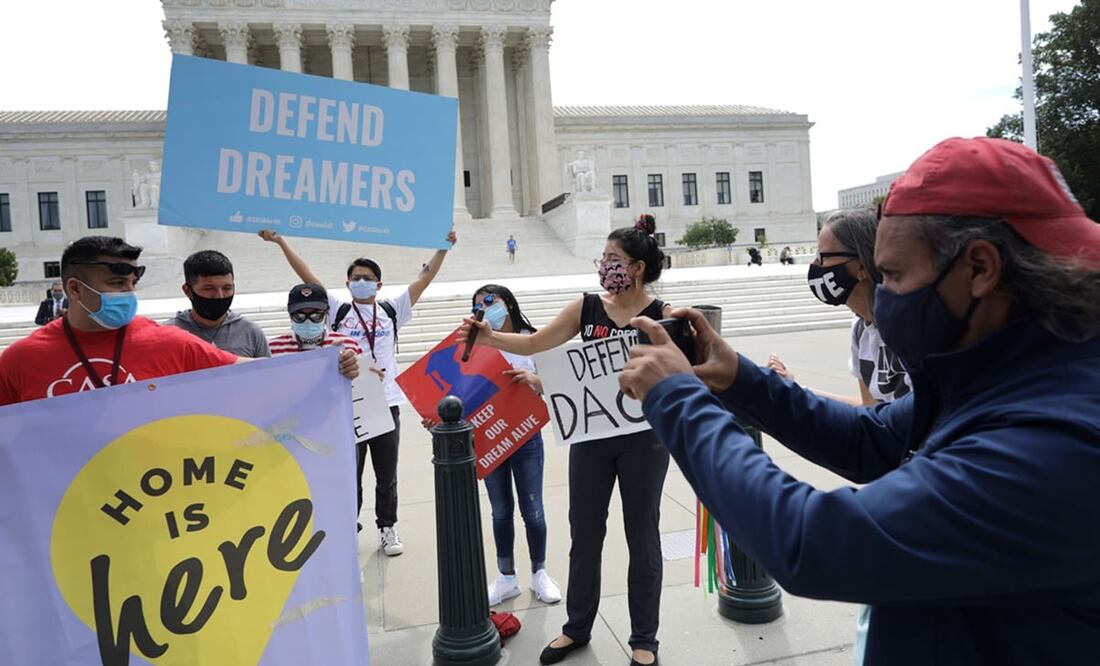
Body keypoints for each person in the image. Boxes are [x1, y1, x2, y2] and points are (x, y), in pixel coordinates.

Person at [618, 137, 1100, 665]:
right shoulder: (1006, 373)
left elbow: (810, 542)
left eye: (893, 275)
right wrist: (740, 379)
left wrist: (678, 400)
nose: (882, 296)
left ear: (980, 268)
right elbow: (872, 437)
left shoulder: (1057, 439)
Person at [462, 214, 670, 666]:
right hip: (591, 440)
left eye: (613, 259)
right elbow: (535, 344)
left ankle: (644, 639)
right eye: (603, 258)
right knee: (585, 534)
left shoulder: (662, 317)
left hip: (644, 441)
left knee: (642, 536)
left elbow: (679, 374)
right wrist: (490, 337)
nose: (604, 266)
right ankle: (576, 627)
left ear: (637, 268)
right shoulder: (586, 308)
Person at [261, 228, 458, 556]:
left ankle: (387, 527)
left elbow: (424, 278)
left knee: (386, 472)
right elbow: (306, 276)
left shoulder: (393, 309)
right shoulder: (338, 309)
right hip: (347, 403)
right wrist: (281, 242)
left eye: (367, 278)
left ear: (379, 285)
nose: (361, 282)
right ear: (347, 283)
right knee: (348, 473)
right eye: (355, 278)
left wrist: (443, 249)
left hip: (386, 402)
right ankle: (347, 528)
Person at [0, 236, 357, 407]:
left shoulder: (168, 342)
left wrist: (329, 364)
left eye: (131, 283)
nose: (128, 293)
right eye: (116, 284)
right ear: (75, 289)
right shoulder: (19, 361)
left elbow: (254, 371)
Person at [465, 285, 561, 607]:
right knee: (501, 512)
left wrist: (534, 381)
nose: (485, 309)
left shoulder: (532, 339)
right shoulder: (472, 345)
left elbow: (557, 383)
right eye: (478, 306)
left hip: (525, 435)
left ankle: (539, 573)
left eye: (490, 302)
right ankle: (506, 577)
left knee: (533, 510)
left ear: (507, 303)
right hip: (490, 438)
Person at [768, 208, 911, 406]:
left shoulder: (909, 328)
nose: (815, 265)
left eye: (823, 257)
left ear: (861, 266)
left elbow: (905, 418)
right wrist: (795, 390)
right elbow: (869, 407)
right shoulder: (861, 328)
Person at [166, 250, 270, 358]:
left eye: (227, 288)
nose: (220, 296)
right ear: (187, 291)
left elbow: (269, 369)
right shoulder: (168, 334)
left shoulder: (251, 332)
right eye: (209, 289)